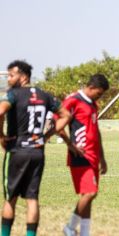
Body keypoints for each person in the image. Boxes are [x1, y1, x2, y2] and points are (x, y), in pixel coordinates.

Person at [0, 60, 71, 236]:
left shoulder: (13, 94)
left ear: (23, 76)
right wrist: (46, 136)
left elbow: (0, 112)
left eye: (11, 75)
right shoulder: (44, 95)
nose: (8, 79)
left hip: (17, 150)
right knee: (32, 199)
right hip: (37, 152)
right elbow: (66, 115)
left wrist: (1, 137)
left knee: (10, 199)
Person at [60, 74, 109, 236]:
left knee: (89, 195)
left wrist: (102, 157)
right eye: (99, 93)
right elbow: (57, 124)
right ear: (91, 87)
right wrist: (70, 144)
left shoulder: (93, 104)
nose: (99, 97)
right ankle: (69, 227)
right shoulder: (73, 100)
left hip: (94, 156)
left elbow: (96, 131)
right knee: (90, 193)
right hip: (81, 156)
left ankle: (84, 233)